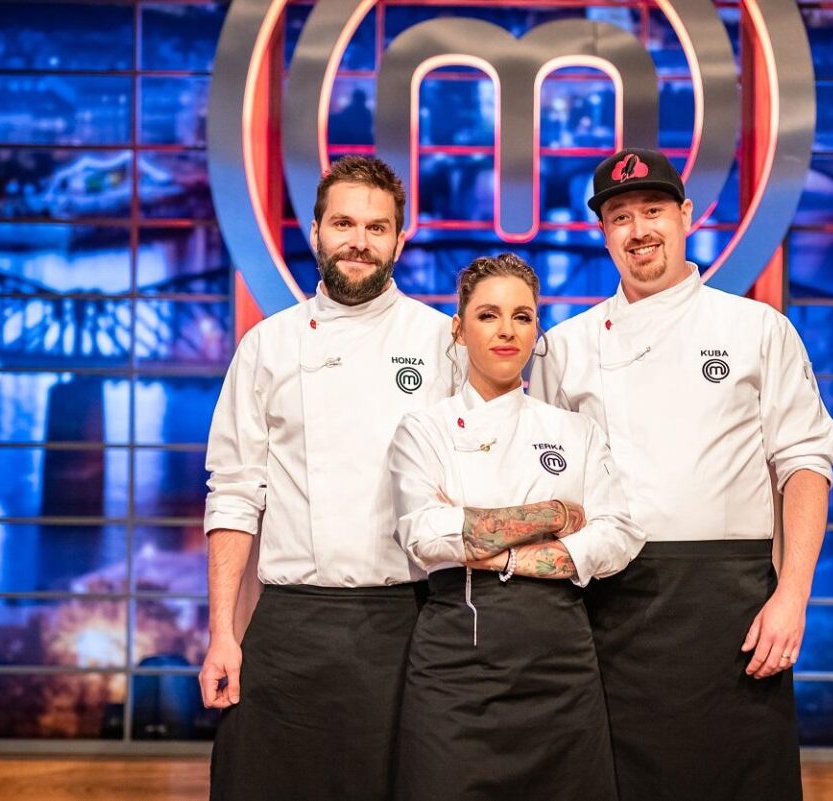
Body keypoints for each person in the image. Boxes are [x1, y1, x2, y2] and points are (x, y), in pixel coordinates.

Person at [529, 148, 833, 801]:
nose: (638, 229)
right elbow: (552, 487)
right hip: (610, 607)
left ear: (686, 216)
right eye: (620, 217)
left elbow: (805, 463)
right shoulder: (567, 347)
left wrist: (792, 597)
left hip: (732, 604)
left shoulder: (757, 328)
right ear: (603, 232)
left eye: (653, 211)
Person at [199, 156, 455, 801]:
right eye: (343, 224)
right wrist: (223, 634)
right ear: (315, 231)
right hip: (290, 623)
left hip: (410, 619)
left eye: (376, 227)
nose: (358, 241)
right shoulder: (268, 345)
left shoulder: (443, 343)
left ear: (400, 239)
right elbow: (234, 494)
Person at [389, 253, 645, 800]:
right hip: (455, 662)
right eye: (488, 315)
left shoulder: (575, 431)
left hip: (560, 664)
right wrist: (554, 515)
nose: (507, 330)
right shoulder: (424, 430)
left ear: (536, 330)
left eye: (522, 316)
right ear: (459, 330)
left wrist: (496, 550)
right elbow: (427, 534)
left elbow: (618, 534)